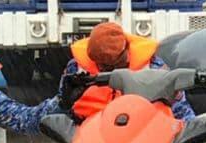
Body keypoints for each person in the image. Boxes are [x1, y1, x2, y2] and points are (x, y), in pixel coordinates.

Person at [57, 21, 195, 122]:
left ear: (127, 51)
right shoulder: (76, 69)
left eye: (114, 64)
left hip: (141, 137)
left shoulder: (155, 68)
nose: (107, 71)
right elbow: (55, 113)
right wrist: (63, 103)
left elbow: (181, 111)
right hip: (88, 138)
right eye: (102, 65)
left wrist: (195, 137)